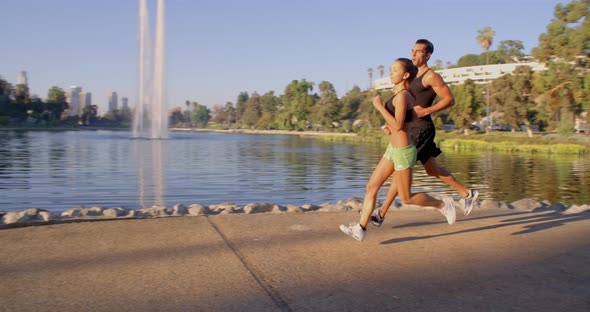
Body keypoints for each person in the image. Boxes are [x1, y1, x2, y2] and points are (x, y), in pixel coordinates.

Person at [339, 58, 456, 242]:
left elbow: (399, 125)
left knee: (406, 198)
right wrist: (389, 128)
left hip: (403, 152)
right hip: (392, 149)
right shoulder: (399, 94)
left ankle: (442, 204)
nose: (391, 72)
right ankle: (360, 228)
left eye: (395, 70)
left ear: (406, 75)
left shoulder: (403, 96)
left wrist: (379, 107)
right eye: (390, 69)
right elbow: (404, 123)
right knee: (371, 186)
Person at [370, 39, 479, 228]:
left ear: (428, 55)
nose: (413, 54)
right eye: (412, 50)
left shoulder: (430, 76)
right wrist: (393, 125)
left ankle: (381, 213)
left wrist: (426, 111)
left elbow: (449, 99)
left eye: (418, 51)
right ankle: (468, 194)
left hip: (420, 129)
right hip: (410, 128)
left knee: (400, 169)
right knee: (432, 169)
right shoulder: (408, 75)